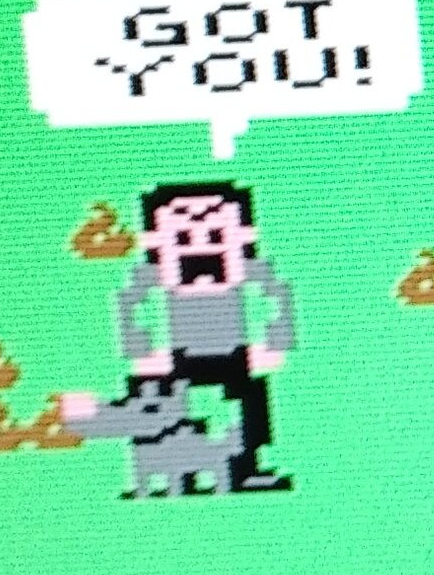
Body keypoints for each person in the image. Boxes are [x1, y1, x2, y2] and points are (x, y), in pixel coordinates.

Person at [70, 182, 298, 493]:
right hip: (179, 355)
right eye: (183, 234)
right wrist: (142, 352)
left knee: (250, 405)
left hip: (236, 353)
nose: (199, 241)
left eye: (214, 232)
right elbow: (130, 304)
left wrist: (274, 344)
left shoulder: (247, 268)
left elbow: (278, 297)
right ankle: (173, 473)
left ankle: (246, 466)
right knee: (167, 408)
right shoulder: (153, 274)